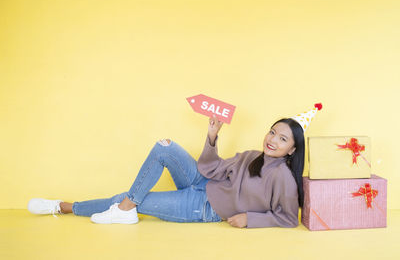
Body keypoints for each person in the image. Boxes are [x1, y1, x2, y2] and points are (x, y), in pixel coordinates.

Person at [28, 103, 322, 228]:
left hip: (205, 208)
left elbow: (287, 218)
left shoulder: (283, 177)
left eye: (282, 139)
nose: (272, 140)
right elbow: (212, 168)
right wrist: (212, 135)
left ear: (292, 149)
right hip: (203, 184)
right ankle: (128, 208)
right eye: (272, 131)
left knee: (123, 200)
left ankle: (63, 206)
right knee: (164, 146)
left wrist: (249, 218)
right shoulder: (251, 156)